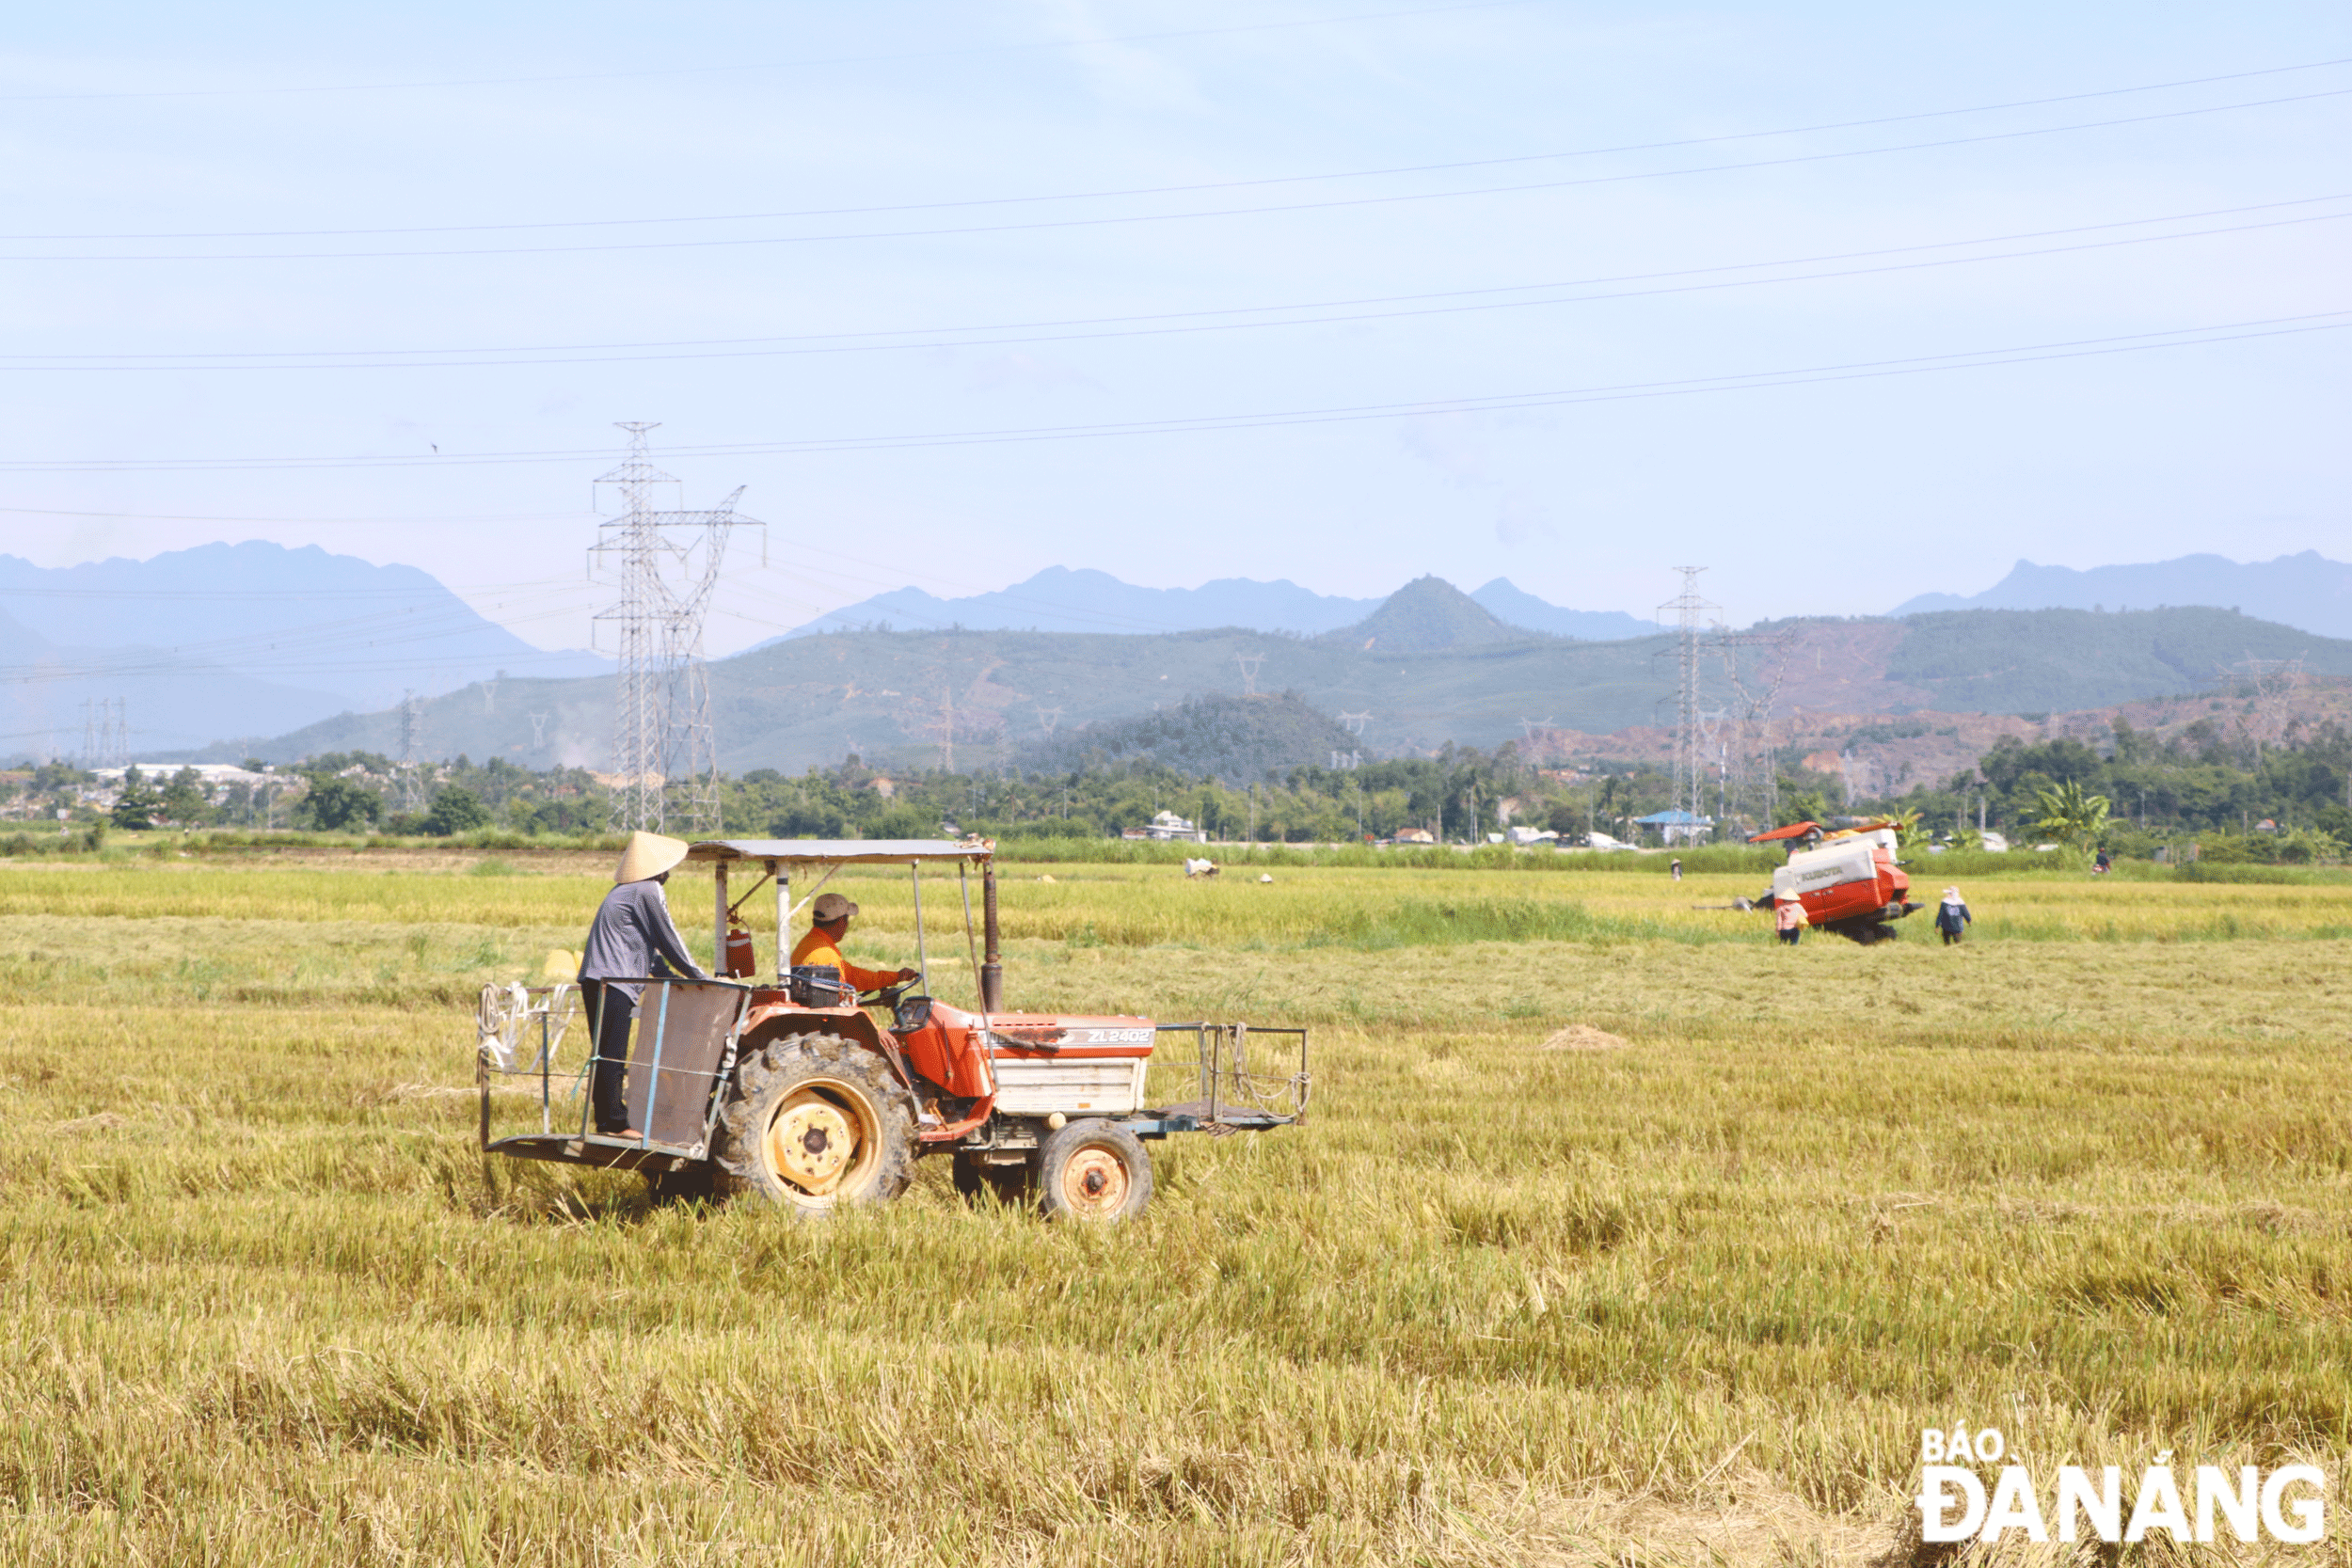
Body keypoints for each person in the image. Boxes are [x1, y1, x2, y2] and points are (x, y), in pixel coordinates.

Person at [577, 831, 709, 1139]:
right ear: (658, 869)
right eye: (666, 869)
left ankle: (606, 1121)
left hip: (598, 980)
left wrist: (671, 979)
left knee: (604, 1051)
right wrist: (699, 977)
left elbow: (646, 949)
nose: (668, 874)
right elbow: (668, 936)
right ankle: (616, 1123)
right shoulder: (647, 890)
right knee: (612, 1051)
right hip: (613, 982)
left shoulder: (624, 891)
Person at [790, 891, 919, 999]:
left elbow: (852, 976)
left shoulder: (809, 944)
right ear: (841, 922)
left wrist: (895, 977)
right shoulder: (825, 954)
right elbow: (840, 997)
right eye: (847, 920)